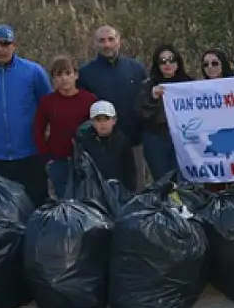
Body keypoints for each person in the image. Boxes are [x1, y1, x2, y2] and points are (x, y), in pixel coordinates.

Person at [0, 25, 53, 206]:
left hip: (29, 153)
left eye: (5, 43)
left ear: (14, 45)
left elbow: (47, 106)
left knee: (35, 205)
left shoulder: (33, 72)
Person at [77, 26, 148, 189]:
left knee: (137, 189)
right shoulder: (86, 74)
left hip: (134, 142)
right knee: (104, 192)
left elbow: (147, 103)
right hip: (102, 147)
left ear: (119, 41)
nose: (107, 44)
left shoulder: (136, 69)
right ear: (95, 44)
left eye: (111, 39)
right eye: (101, 41)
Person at [33, 55, 97, 198]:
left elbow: (98, 127)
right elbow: (38, 129)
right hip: (58, 160)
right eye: (59, 75)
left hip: (84, 160)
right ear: (53, 79)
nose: (64, 78)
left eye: (68, 73)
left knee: (86, 199)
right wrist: (46, 157)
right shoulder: (47, 102)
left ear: (76, 75)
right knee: (65, 201)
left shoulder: (89, 99)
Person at [136, 44, 191, 181]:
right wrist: (153, 98)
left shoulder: (189, 84)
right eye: (162, 61)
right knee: (163, 180)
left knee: (184, 179)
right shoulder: (148, 85)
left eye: (171, 60)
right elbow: (141, 113)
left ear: (178, 62)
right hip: (157, 138)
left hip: (184, 138)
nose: (167, 64)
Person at [73, 100, 137, 193]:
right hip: (93, 193)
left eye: (106, 118)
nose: (103, 123)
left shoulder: (122, 141)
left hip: (118, 192)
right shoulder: (85, 142)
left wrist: (129, 191)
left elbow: (129, 170)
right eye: (98, 120)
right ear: (93, 122)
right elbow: (79, 171)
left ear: (114, 120)